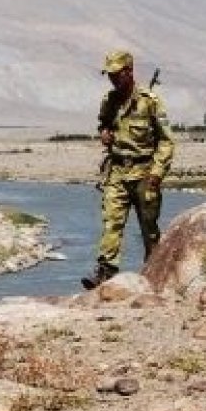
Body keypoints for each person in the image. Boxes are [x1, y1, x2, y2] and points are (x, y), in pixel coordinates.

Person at [82, 50, 175, 290]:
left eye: (116, 74)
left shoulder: (149, 101)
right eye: (109, 75)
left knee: (149, 227)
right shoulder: (109, 101)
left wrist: (157, 173)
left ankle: (154, 271)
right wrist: (104, 133)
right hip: (117, 172)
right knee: (111, 221)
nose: (112, 79)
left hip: (145, 173)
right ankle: (105, 272)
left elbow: (166, 141)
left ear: (129, 71)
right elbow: (103, 122)